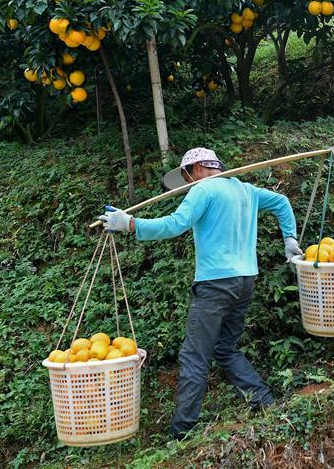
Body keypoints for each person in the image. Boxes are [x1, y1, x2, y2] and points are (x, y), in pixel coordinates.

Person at [99, 147, 304, 439]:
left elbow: (175, 224)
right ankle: (264, 401)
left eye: (185, 177)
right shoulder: (246, 190)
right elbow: (282, 202)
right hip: (245, 281)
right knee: (224, 348)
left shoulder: (203, 190)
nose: (186, 185)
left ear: (195, 169)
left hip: (216, 285)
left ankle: (181, 433)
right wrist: (290, 239)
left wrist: (130, 224)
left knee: (195, 356)